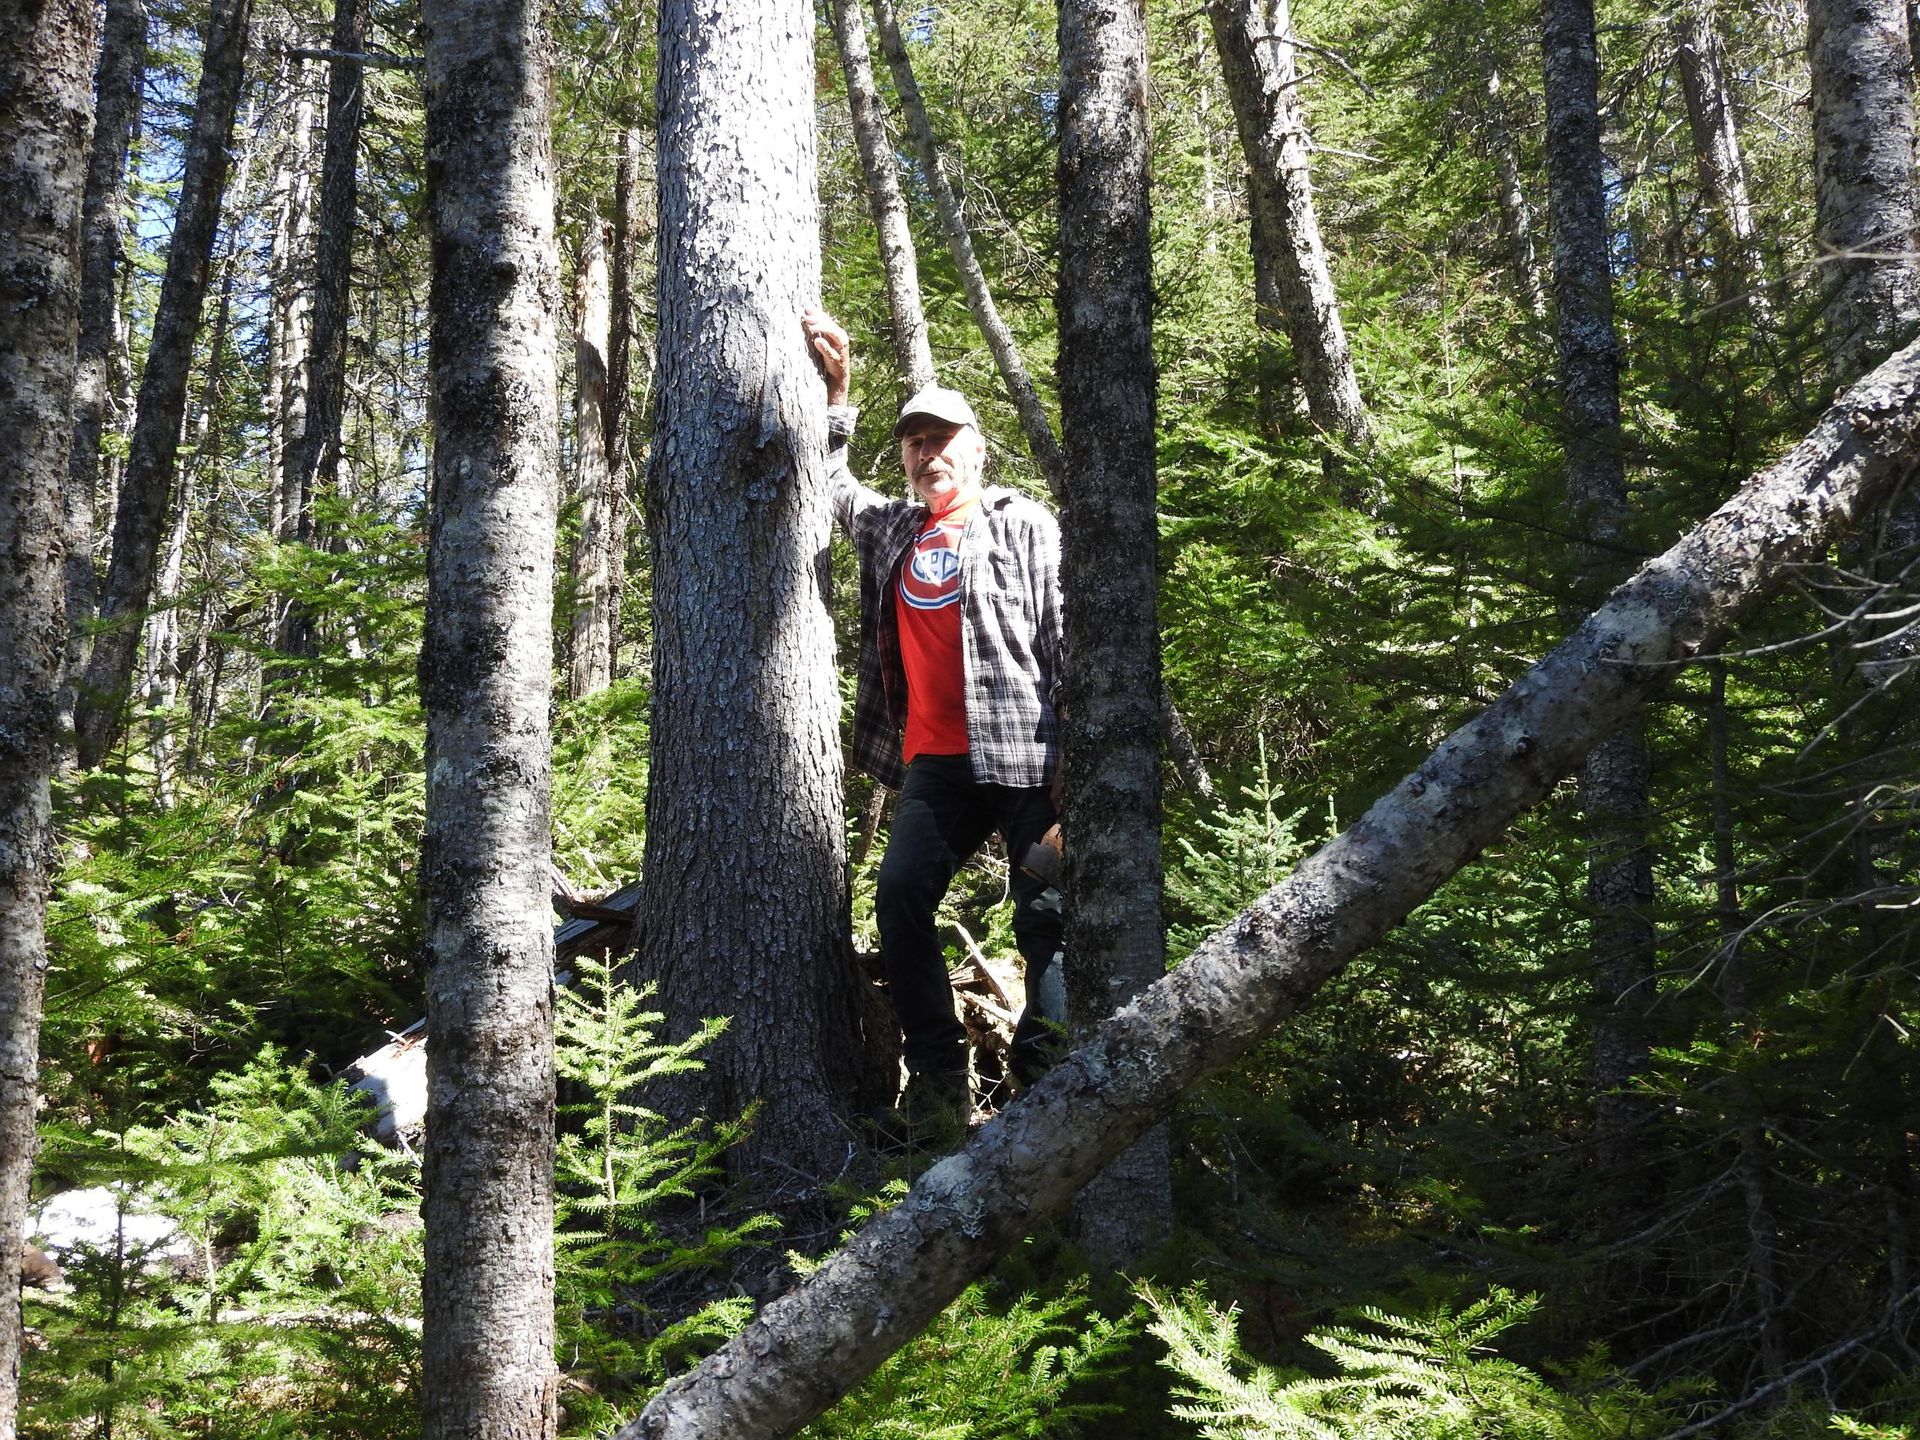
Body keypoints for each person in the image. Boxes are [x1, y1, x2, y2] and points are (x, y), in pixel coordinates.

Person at [803, 308, 1066, 1135]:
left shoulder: (1022, 521)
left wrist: (1077, 770)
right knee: (900, 901)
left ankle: (1046, 1081)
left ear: (976, 447)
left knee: (1049, 917)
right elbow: (834, 488)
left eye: (944, 439)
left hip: (1033, 755)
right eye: (916, 442)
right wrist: (837, 394)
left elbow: (1067, 635)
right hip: (936, 761)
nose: (929, 454)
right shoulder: (898, 530)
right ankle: (942, 1084)